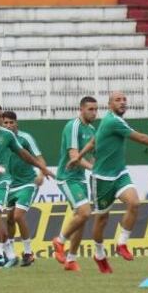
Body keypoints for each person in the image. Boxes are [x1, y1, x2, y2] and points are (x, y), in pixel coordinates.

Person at [79, 91, 148, 274]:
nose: (122, 102)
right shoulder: (113, 121)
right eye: (117, 100)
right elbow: (140, 138)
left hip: (120, 173)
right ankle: (99, 254)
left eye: (124, 100)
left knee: (134, 203)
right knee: (101, 219)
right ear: (109, 105)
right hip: (102, 178)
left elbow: (94, 141)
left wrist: (79, 157)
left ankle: (121, 243)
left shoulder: (112, 120)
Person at [0, 104, 54, 269]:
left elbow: (25, 153)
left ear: (16, 123)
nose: (0, 121)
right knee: (2, 219)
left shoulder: (14, 136)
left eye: (2, 118)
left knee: (12, 215)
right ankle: (10, 254)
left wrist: (42, 170)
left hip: (17, 182)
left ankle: (18, 253)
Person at [50, 96, 98, 272]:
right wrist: (94, 168)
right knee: (85, 212)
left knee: (81, 218)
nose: (94, 112)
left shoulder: (92, 129)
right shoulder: (73, 126)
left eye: (96, 109)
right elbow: (74, 157)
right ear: (81, 109)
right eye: (90, 109)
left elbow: (92, 155)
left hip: (80, 178)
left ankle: (71, 259)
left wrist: (98, 165)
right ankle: (60, 240)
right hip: (67, 177)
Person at [0, 111, 46, 267]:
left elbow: (39, 157)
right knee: (10, 219)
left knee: (19, 216)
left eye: (11, 122)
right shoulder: (0, 140)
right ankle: (10, 254)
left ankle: (28, 252)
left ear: (16, 124)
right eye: (5, 123)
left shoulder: (25, 138)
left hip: (27, 182)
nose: (8, 125)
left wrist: (41, 173)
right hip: (9, 185)